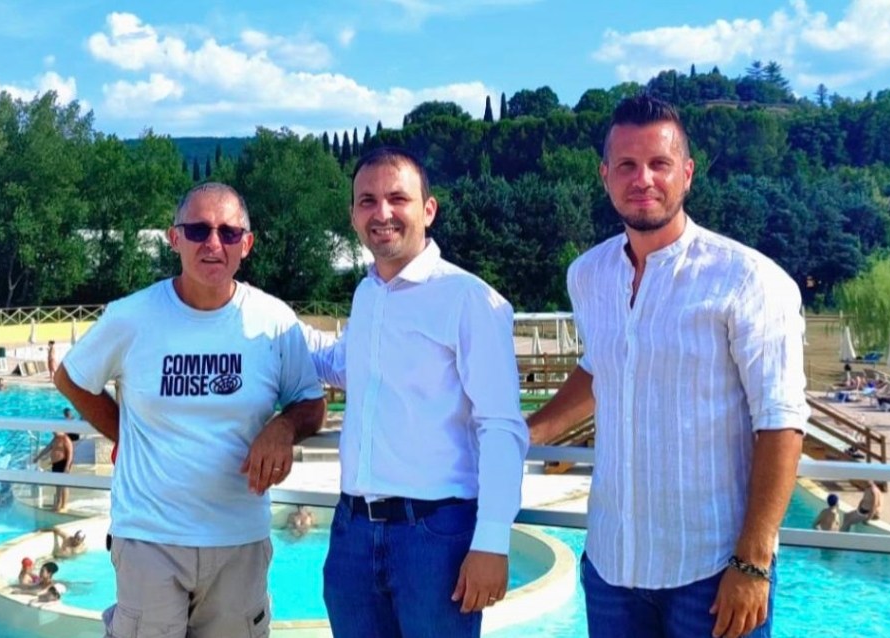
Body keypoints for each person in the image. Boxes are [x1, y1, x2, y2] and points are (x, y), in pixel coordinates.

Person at [527, 95, 807, 638]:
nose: (644, 179)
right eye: (627, 165)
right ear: (605, 175)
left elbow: (781, 421)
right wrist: (529, 431)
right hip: (612, 565)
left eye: (659, 164)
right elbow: (601, 365)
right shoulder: (588, 275)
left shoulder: (748, 279)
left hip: (711, 569)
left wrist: (752, 564)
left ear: (687, 173)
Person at [54, 182, 325, 638]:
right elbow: (72, 378)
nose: (213, 243)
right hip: (149, 538)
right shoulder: (132, 316)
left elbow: (310, 402)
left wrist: (283, 427)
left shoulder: (274, 321)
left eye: (228, 232)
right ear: (173, 238)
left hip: (239, 537)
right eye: (197, 230)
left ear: (247, 244)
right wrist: (127, 432)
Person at [304, 146, 528, 638]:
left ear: (428, 209)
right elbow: (342, 364)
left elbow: (501, 426)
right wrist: (263, 323)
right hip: (354, 534)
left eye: (396, 198)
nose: (381, 213)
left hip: (434, 537)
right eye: (367, 201)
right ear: (353, 215)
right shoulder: (368, 295)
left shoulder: (470, 300)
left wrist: (492, 541)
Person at [32, 430, 74, 512]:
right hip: (56, 464)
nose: (53, 432)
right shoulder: (55, 439)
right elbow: (47, 449)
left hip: (63, 463)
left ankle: (63, 505)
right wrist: (37, 457)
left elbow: (70, 454)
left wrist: (67, 466)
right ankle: (57, 504)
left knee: (64, 486)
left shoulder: (65, 439)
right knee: (58, 485)